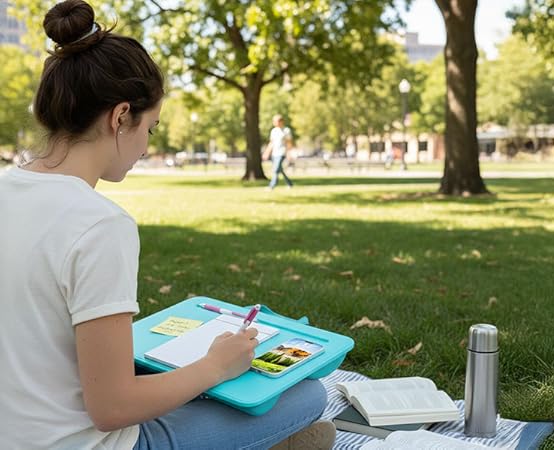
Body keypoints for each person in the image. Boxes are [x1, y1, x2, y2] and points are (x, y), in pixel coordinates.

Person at [0, 1, 335, 449]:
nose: (144, 147)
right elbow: (112, 409)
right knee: (308, 394)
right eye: (151, 129)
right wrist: (214, 366)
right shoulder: (99, 224)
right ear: (121, 117)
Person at [262, 114, 294, 190]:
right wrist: (266, 152)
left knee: (276, 169)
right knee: (279, 170)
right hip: (274, 153)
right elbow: (271, 143)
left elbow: (289, 143)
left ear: (281, 121)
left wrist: (289, 153)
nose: (274, 123)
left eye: (276, 121)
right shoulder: (273, 131)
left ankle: (272, 186)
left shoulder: (286, 130)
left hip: (282, 152)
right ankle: (289, 183)